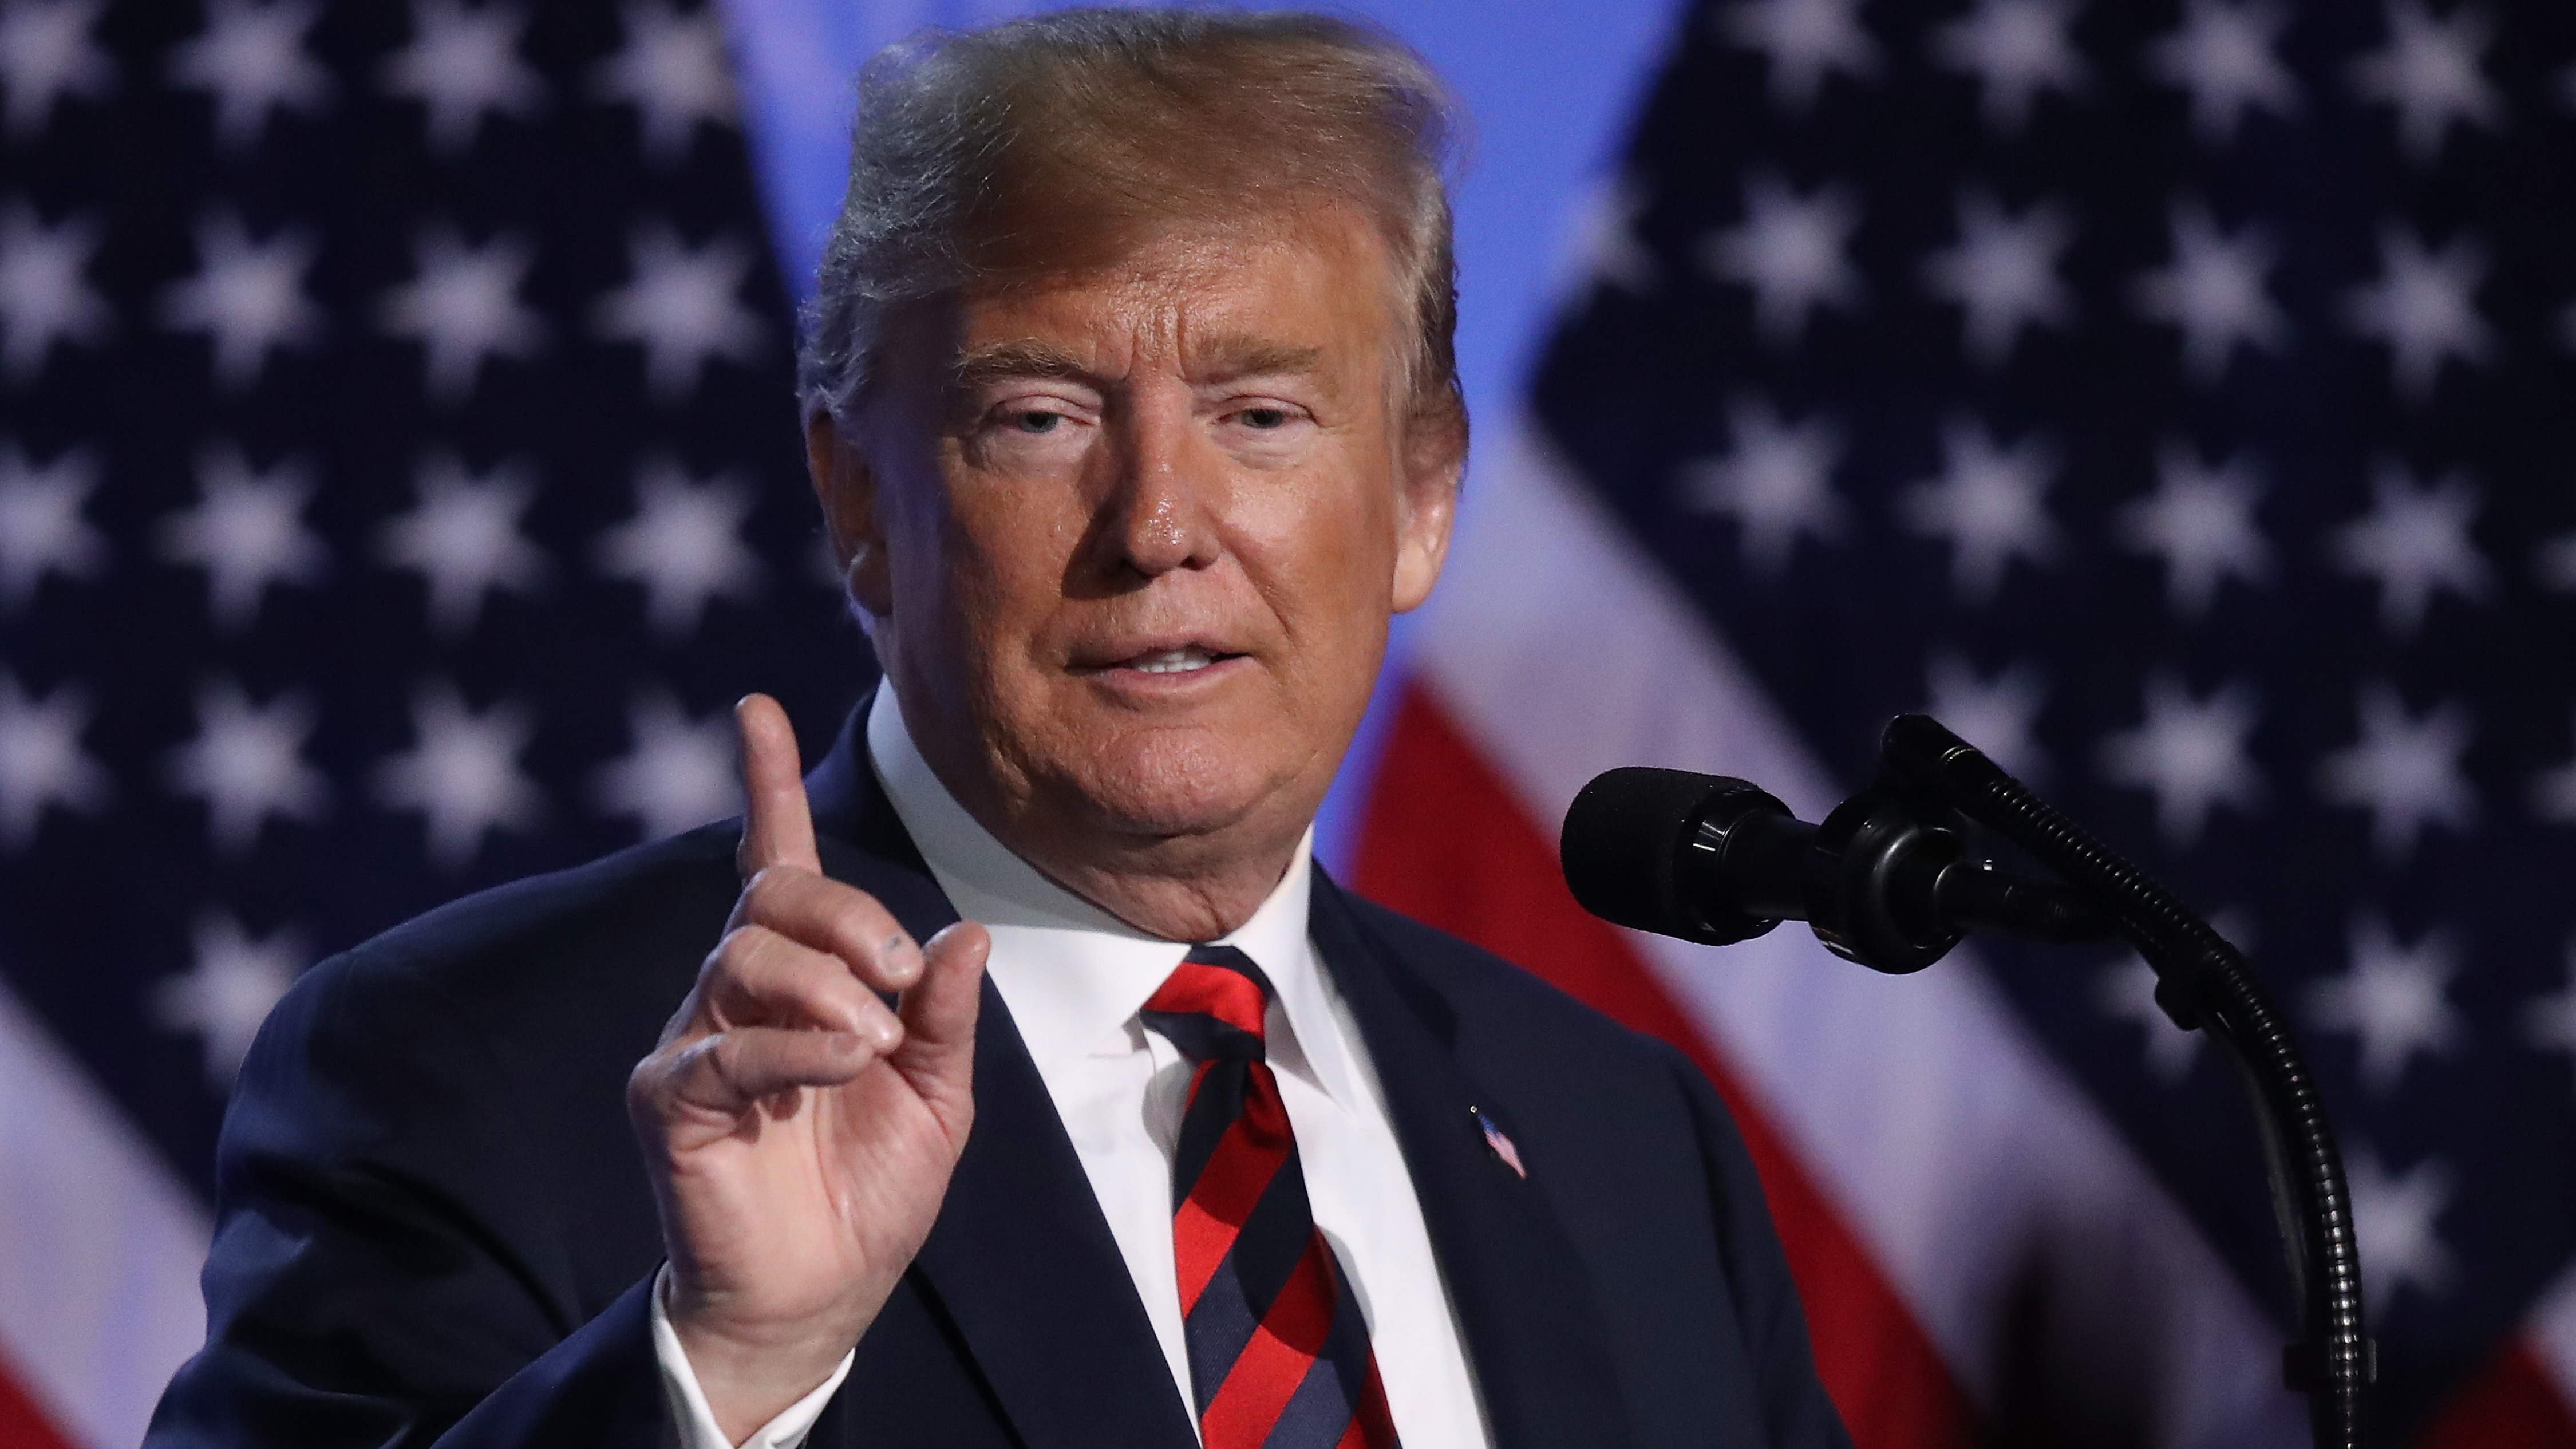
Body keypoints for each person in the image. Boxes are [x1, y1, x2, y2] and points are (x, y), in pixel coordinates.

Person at [144, 11, 1851, 1448]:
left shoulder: (1631, 1140)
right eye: (1038, 417)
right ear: (855, 502)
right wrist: (724, 1368)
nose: (1159, 523)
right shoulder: (478, 1068)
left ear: (1418, 498)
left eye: (1260, 415)